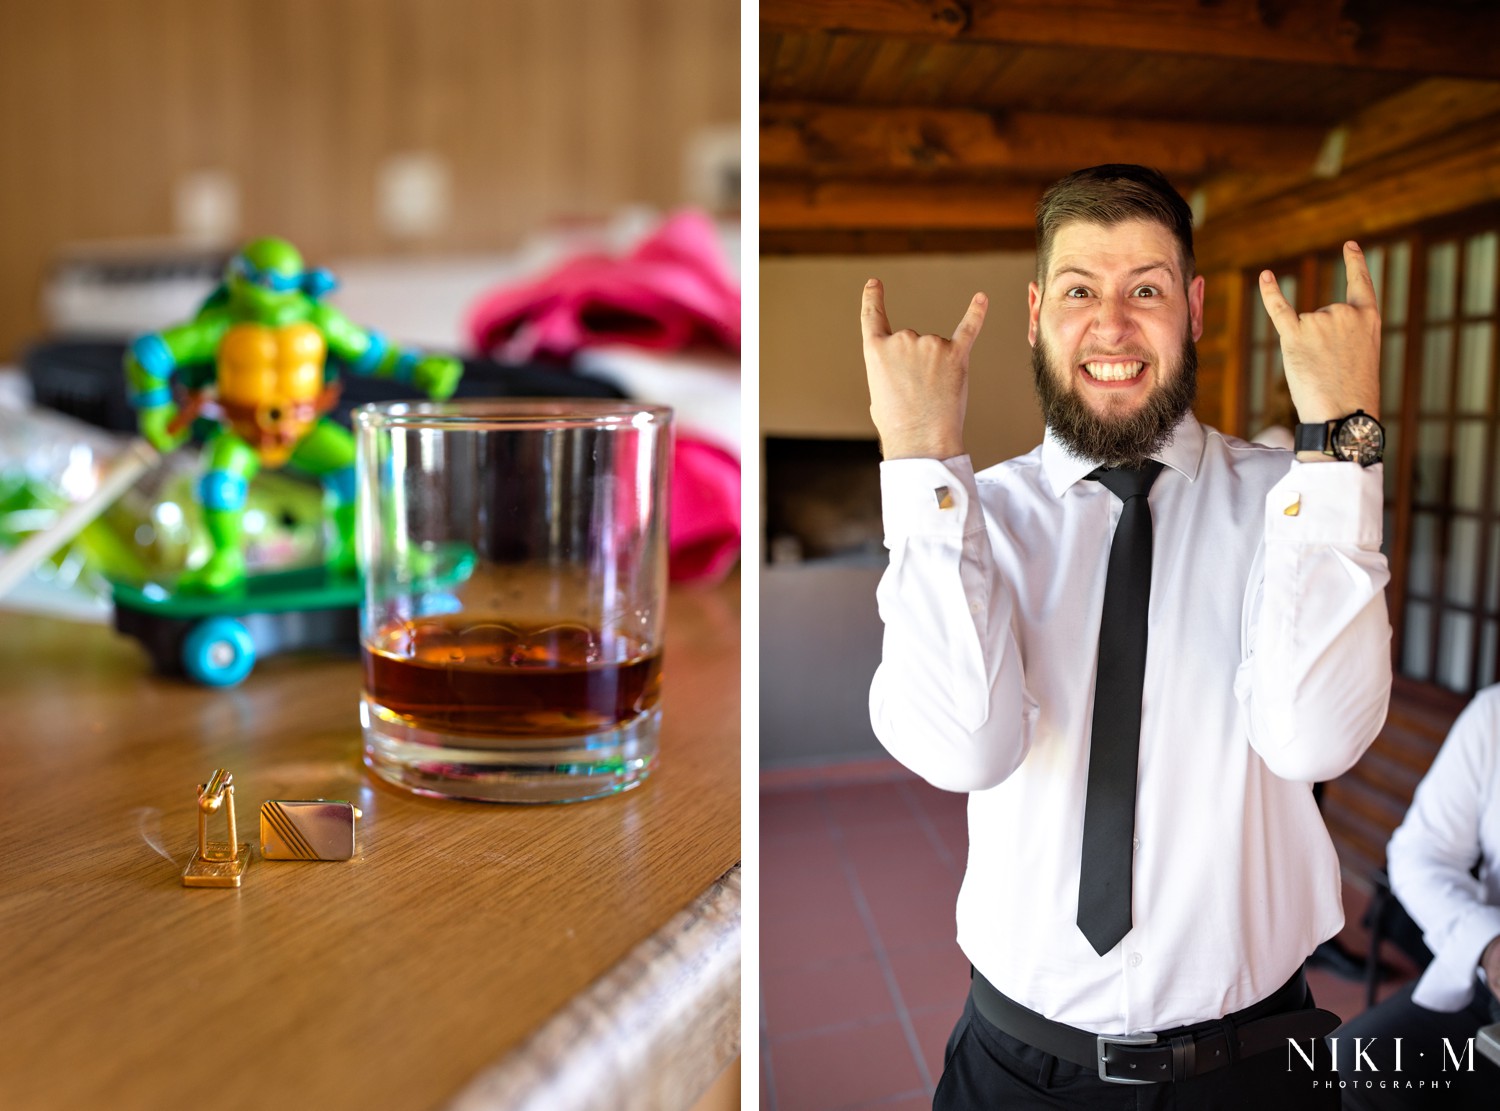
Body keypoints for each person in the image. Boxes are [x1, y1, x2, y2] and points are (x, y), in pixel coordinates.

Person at [861, 164, 1392, 1109]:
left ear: (1191, 308)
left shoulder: (1298, 500)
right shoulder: (964, 519)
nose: (1111, 325)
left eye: (1145, 288)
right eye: (1079, 291)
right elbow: (962, 749)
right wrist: (913, 451)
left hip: (1254, 1071)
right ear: (1035, 314)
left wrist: (1346, 433)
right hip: (1018, 1070)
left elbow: (1314, 739)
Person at [1333, 686, 1500, 1109]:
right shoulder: (1493, 714)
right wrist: (1488, 945)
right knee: (1340, 1071)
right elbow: (1421, 853)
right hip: (1492, 986)